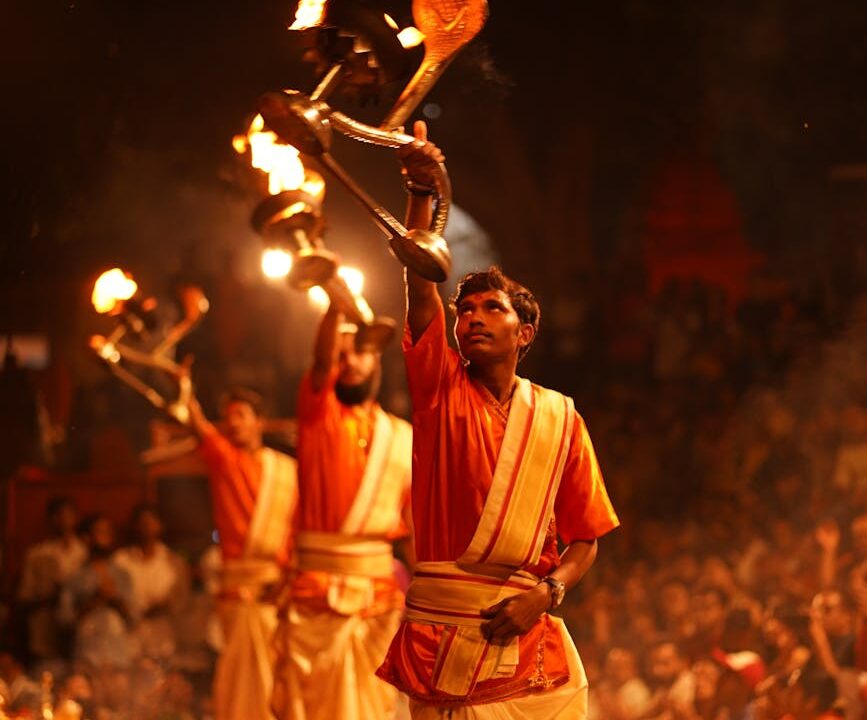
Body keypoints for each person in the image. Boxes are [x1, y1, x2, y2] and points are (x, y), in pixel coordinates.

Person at [376, 122, 620, 718]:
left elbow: (585, 539)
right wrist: (419, 194)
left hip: (528, 638)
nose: (473, 317)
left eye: (492, 307)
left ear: (525, 332)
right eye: (466, 311)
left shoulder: (560, 418)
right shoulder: (438, 387)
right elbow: (419, 279)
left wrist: (546, 594)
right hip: (442, 641)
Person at [271, 308, 413, 720]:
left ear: (377, 362)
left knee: (375, 706)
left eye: (360, 352)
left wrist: (433, 592)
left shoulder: (401, 437)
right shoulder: (319, 415)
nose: (349, 361)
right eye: (341, 355)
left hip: (379, 596)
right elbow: (319, 363)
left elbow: (411, 529)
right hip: (319, 594)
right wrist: (336, 301)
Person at [184, 386, 298, 720]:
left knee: (277, 674)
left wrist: (288, 581)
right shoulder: (223, 459)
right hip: (237, 592)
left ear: (259, 422)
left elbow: (296, 531)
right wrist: (186, 390)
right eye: (227, 417)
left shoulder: (287, 472)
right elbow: (196, 423)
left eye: (241, 415)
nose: (233, 423)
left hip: (277, 592)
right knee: (240, 677)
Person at [111, 504, 189, 661]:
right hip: (128, 635)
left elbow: (182, 600)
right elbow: (113, 595)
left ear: (160, 526)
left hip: (162, 635)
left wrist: (165, 605)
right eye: (142, 523)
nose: (147, 527)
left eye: (151, 522)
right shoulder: (121, 561)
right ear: (135, 527)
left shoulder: (173, 562)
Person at [17, 497, 87, 664]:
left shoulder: (85, 553)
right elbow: (24, 598)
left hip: (80, 629)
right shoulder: (37, 554)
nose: (63, 520)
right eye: (58, 516)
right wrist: (52, 596)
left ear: (75, 518)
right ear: (50, 520)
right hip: (46, 630)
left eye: (67, 515)